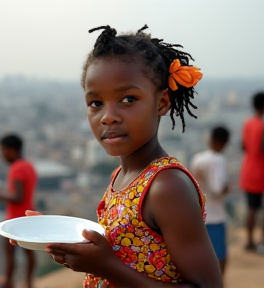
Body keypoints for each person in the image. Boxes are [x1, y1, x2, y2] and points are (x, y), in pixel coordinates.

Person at [17, 25, 223, 288]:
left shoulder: (166, 187)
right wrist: (56, 234)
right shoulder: (122, 176)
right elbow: (128, 243)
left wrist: (107, 267)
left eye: (128, 99)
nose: (108, 116)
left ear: (161, 103)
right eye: (96, 103)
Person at [0, 134, 37, 288]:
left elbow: (18, 196)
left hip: (16, 218)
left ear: (12, 150)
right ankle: (28, 282)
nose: (2, 155)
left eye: (3, 151)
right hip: (28, 215)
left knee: (9, 252)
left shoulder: (17, 168)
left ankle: (8, 283)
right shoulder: (28, 166)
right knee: (29, 252)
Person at [190, 126, 230, 276]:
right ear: (224, 142)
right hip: (215, 216)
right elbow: (218, 188)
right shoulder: (218, 160)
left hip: (199, 216)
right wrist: (227, 188)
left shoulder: (198, 158)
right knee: (220, 256)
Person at [239, 92, 264, 251]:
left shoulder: (248, 123)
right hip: (260, 172)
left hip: (247, 169)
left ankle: (249, 241)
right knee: (259, 209)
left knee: (251, 208)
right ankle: (261, 240)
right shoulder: (262, 126)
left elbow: (243, 146)